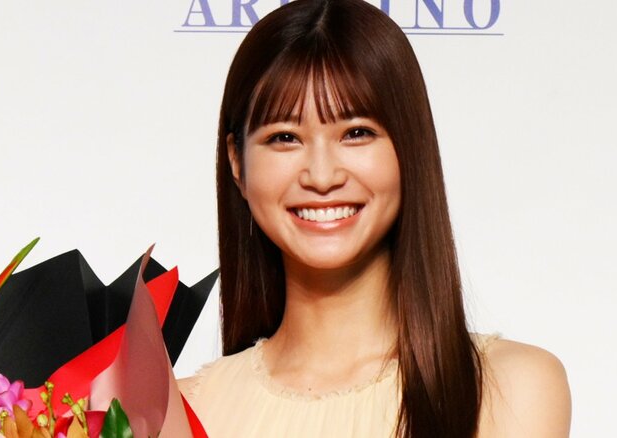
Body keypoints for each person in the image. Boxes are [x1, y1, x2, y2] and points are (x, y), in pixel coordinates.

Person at [179, 0, 571, 436]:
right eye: (284, 137)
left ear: (409, 147)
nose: (322, 176)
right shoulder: (179, 410)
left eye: (356, 133)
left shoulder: (511, 387)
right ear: (237, 162)